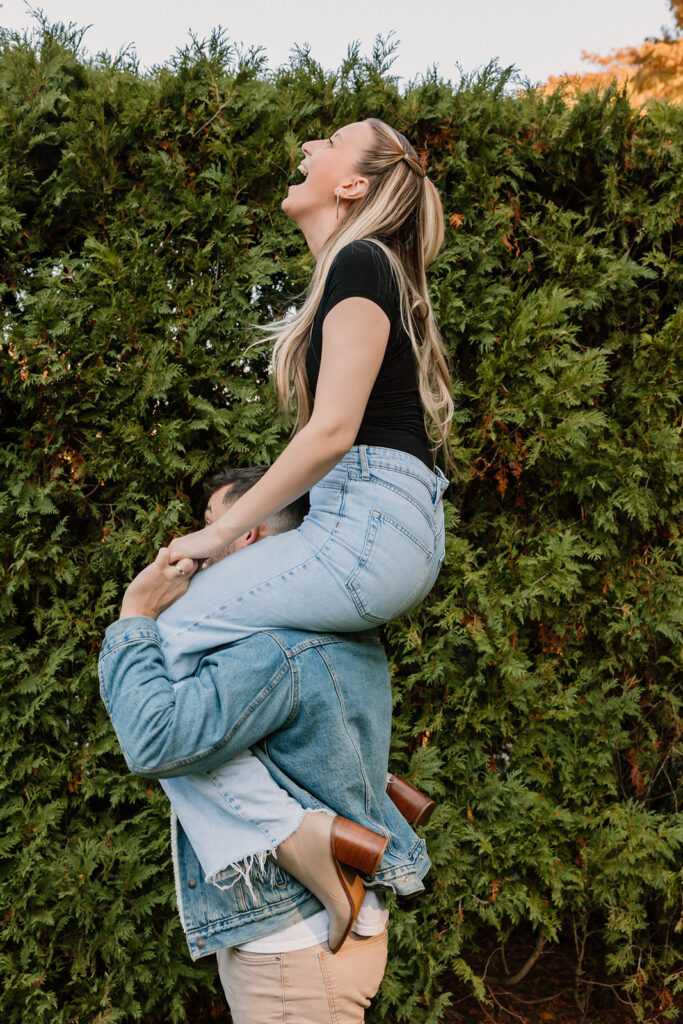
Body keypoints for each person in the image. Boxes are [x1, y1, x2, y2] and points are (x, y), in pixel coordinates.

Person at [131, 117, 453, 949]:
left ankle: (299, 830)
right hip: (377, 522)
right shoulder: (355, 268)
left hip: (371, 522)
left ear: (352, 183)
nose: (307, 148)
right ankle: (356, 794)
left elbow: (331, 433)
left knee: (167, 642)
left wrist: (217, 537)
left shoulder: (359, 260)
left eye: (329, 141)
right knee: (259, 656)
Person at [99, 469, 433, 1022]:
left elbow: (155, 738)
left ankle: (308, 839)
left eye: (210, 526)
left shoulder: (271, 649)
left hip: (293, 947)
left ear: (248, 535)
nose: (197, 548)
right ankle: (313, 838)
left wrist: (136, 615)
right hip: (310, 937)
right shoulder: (341, 629)